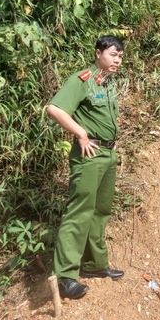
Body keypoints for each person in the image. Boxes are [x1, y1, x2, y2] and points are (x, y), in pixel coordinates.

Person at [46, 35, 126, 299]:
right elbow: (55, 109)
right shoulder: (82, 80)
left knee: (100, 211)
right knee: (79, 211)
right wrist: (81, 133)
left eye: (120, 57)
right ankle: (66, 277)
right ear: (98, 53)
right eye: (113, 55)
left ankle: (92, 265)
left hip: (108, 153)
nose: (117, 60)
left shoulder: (106, 83)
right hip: (89, 153)